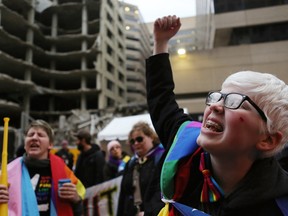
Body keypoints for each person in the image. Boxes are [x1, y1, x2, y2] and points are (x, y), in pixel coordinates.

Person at [146, 15, 288, 215]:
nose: (216, 106)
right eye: (217, 96)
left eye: (235, 101)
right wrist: (161, 43)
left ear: (268, 139)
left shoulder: (280, 207)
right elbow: (161, 100)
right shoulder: (185, 147)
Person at [0, 119, 86, 216]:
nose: (34, 138)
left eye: (40, 135)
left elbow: (78, 206)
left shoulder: (63, 170)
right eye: (30, 135)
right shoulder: (8, 171)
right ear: (25, 144)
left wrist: (76, 200)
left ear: (50, 145)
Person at [117, 121, 165, 216]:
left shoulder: (161, 158)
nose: (135, 143)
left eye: (139, 139)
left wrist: (147, 213)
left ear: (151, 137)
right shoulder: (131, 163)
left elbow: (161, 192)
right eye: (132, 141)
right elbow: (123, 195)